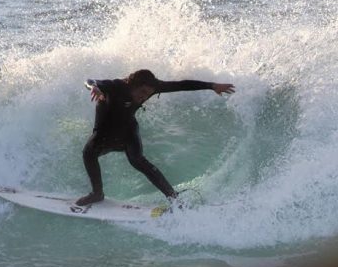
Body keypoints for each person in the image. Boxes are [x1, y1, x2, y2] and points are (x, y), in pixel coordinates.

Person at [76, 69, 235, 206]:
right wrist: (94, 88)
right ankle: (97, 194)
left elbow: (181, 85)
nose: (144, 97)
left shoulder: (152, 87)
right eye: (142, 92)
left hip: (128, 130)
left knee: (138, 160)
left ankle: (174, 198)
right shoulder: (116, 86)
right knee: (88, 153)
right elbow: (89, 81)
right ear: (133, 86)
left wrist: (212, 86)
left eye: (148, 94)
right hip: (104, 132)